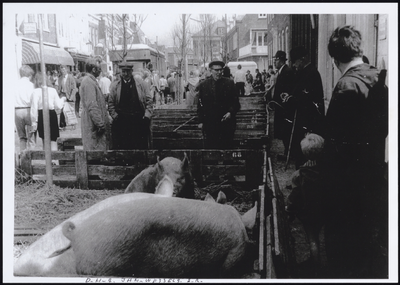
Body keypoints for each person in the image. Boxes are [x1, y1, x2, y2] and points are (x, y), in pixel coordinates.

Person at [322, 25, 388, 278]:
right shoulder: (379, 79)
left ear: (335, 59)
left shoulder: (346, 86)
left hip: (346, 187)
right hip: (372, 178)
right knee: (367, 245)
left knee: (345, 252)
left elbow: (336, 143)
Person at [285, 133, 327, 275]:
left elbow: (295, 196)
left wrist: (289, 209)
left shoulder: (299, 175)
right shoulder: (325, 171)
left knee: (312, 239)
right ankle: (320, 259)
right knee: (320, 235)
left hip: (308, 212)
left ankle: (316, 266)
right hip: (323, 209)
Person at [282, 46, 325, 169]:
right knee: (300, 151)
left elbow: (307, 98)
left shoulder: (311, 73)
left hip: (309, 120)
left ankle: (304, 178)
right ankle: (300, 176)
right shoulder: (304, 72)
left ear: (303, 59)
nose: (294, 65)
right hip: (303, 118)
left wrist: (291, 99)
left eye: (296, 62)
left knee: (305, 152)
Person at [108, 62, 153, 150]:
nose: (126, 74)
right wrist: (115, 116)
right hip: (122, 122)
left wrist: (147, 116)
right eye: (123, 71)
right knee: (122, 147)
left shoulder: (141, 84)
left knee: (139, 147)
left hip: (138, 121)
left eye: (128, 71)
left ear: (132, 71)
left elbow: (149, 101)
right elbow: (111, 103)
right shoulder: (115, 86)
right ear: (121, 72)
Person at [197, 60, 241, 149]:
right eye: (216, 70)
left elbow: (236, 103)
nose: (219, 72)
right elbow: (200, 105)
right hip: (210, 124)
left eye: (221, 70)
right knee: (211, 150)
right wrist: (201, 121)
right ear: (210, 71)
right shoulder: (204, 85)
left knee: (227, 150)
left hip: (226, 124)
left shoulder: (229, 83)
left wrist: (230, 112)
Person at [30, 73, 66, 164]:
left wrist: (34, 121)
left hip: (41, 114)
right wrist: (63, 100)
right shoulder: (53, 90)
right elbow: (58, 105)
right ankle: (55, 160)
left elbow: (34, 107)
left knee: (44, 139)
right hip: (51, 113)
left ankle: (48, 162)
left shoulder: (36, 91)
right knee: (53, 138)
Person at [79, 58, 110, 151]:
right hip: (93, 126)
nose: (100, 71)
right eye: (99, 69)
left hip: (93, 125)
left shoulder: (91, 81)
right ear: (94, 69)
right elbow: (92, 106)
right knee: (95, 154)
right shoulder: (88, 82)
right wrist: (100, 124)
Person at [272, 50, 296, 160]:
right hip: (280, 106)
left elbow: (287, 89)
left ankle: (288, 154)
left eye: (276, 60)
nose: (274, 62)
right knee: (283, 130)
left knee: (286, 130)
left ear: (281, 60)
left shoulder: (287, 71)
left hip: (285, 107)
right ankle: (287, 152)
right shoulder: (282, 71)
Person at [15, 65, 36, 153]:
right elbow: (33, 99)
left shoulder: (15, 84)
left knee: (22, 137)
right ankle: (31, 156)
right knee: (31, 136)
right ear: (30, 75)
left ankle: (23, 157)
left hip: (17, 110)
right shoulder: (31, 85)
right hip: (28, 110)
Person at [58, 65, 77, 130]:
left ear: (66, 70)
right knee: (62, 110)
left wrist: (71, 97)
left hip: (69, 95)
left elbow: (74, 88)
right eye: (61, 70)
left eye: (64, 70)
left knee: (71, 111)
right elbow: (59, 88)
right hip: (63, 95)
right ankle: (62, 125)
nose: (62, 71)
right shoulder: (60, 78)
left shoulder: (71, 77)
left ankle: (73, 124)